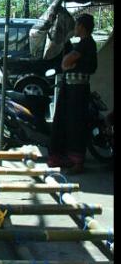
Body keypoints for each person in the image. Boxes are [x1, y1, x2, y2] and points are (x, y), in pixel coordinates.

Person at [47, 13, 98, 174]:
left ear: (82, 27)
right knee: (66, 122)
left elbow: (66, 62)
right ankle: (64, 158)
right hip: (71, 89)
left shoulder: (86, 44)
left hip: (78, 90)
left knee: (76, 125)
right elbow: (66, 63)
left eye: (76, 25)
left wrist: (68, 64)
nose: (74, 28)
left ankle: (77, 163)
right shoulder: (82, 44)